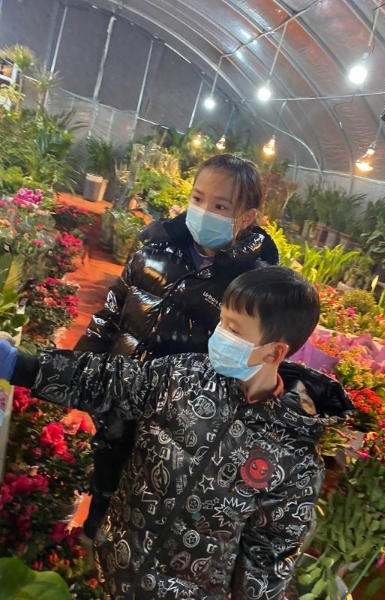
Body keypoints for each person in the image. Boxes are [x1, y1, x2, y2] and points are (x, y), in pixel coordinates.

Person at [1, 266, 353, 600]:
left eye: (233, 329)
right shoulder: (182, 377)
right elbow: (108, 380)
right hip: (117, 564)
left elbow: (269, 555)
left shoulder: (294, 457)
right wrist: (21, 365)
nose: (219, 335)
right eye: (221, 321)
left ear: (274, 351)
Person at [74, 154, 279, 539]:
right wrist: (85, 367)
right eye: (198, 199)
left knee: (150, 508)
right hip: (120, 398)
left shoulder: (252, 287)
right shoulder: (156, 247)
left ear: (247, 217)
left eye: (220, 206)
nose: (203, 211)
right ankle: (91, 541)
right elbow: (112, 309)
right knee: (104, 481)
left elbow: (245, 368)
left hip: (177, 429)